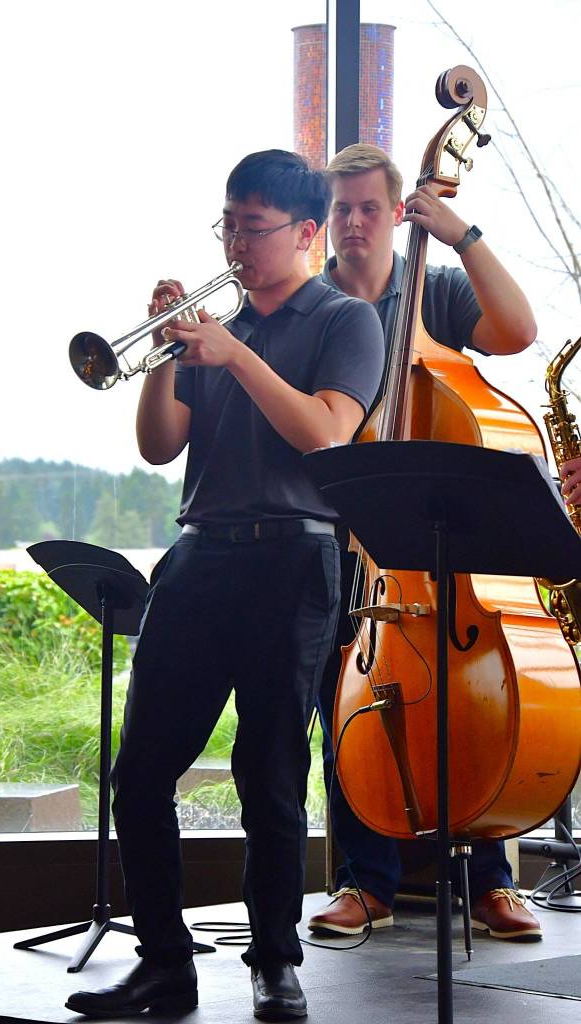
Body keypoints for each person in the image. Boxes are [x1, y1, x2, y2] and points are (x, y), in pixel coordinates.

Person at [66, 149, 385, 1021]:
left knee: (269, 777)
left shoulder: (347, 321)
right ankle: (163, 963)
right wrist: (167, 350)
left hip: (295, 559)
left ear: (306, 233)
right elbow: (158, 444)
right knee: (139, 774)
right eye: (227, 225)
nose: (235, 243)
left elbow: (324, 432)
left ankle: (274, 964)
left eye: (252, 227)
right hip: (200, 554)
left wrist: (232, 352)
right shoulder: (215, 332)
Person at [308, 143, 543, 943]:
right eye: (341, 209)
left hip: (440, 560)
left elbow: (516, 330)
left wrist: (460, 234)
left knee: (472, 704)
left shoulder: (432, 291)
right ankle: (362, 881)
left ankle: (490, 879)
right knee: (346, 705)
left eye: (368, 208)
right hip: (348, 553)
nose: (354, 222)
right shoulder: (313, 308)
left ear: (395, 211)